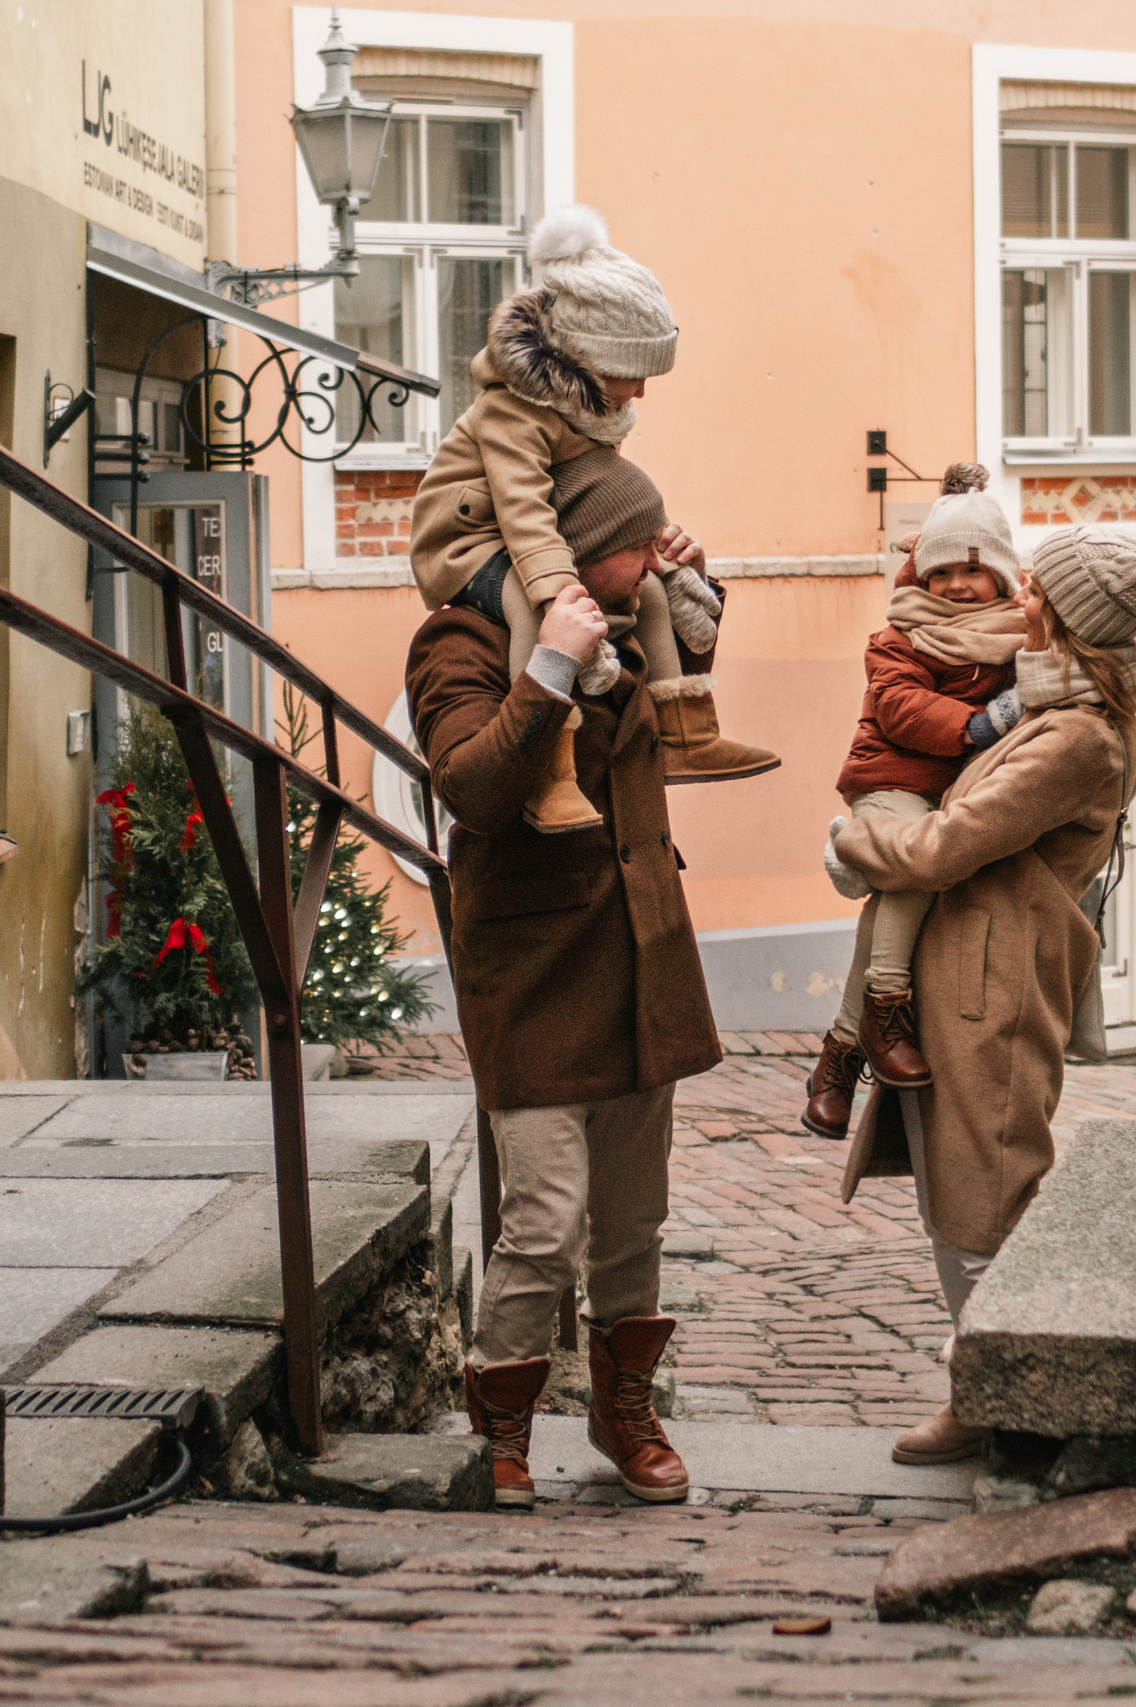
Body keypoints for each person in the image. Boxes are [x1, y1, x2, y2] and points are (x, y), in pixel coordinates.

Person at [827, 523, 1136, 1463]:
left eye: (1039, 591)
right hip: (961, 972)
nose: (1020, 594)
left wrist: (847, 842)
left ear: (1068, 620)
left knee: (988, 1197)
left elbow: (950, 843)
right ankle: (989, 1384)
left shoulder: (1077, 738)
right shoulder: (1050, 703)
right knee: (958, 1194)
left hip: (991, 985)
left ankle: (1018, 1398)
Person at [406, 444, 722, 1509]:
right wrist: (545, 668)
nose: (650, 555)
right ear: (579, 552)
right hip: (534, 970)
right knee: (542, 1221)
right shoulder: (460, 637)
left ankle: (622, 1413)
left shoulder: (636, 631)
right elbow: (472, 788)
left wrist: (687, 591)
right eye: (636, 540)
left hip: (640, 955)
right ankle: (501, 1426)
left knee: (633, 1221)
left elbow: (688, 701)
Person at [409, 203, 774, 839]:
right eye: (632, 373)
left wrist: (664, 557)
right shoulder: (511, 411)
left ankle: (687, 731)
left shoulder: (588, 405)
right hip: (468, 539)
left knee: (657, 594)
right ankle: (552, 776)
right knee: (534, 606)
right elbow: (526, 511)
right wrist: (557, 605)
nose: (642, 391)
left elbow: (597, 498)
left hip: (642, 920)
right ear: (589, 358)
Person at [802, 465, 1026, 1138]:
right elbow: (900, 710)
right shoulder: (901, 633)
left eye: (971, 571)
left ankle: (838, 1060)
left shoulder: (1014, 630)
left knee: (892, 895)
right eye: (940, 574)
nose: (955, 586)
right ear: (921, 578)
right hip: (889, 779)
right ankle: (886, 1005)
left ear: (1001, 575)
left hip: (945, 792)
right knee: (919, 864)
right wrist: (979, 725)